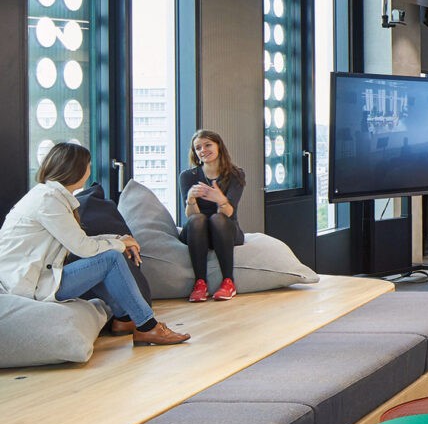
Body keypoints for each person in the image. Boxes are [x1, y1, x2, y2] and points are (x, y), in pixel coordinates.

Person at [0, 143, 189, 346]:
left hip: (38, 276)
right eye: (88, 165)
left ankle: (125, 319)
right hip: (29, 284)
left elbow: (80, 240)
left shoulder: (52, 196)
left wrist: (119, 240)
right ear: (77, 169)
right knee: (110, 258)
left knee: (105, 257)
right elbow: (84, 248)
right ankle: (147, 327)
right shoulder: (49, 200)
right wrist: (119, 246)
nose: (90, 170)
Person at [179, 129, 246, 302]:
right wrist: (191, 200)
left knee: (218, 218)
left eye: (208, 145)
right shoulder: (187, 176)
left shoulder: (235, 174)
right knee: (197, 219)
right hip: (197, 233)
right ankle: (200, 283)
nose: (203, 150)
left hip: (225, 229)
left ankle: (228, 282)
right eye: (198, 148)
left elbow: (229, 213)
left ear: (219, 147)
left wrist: (220, 199)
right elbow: (190, 216)